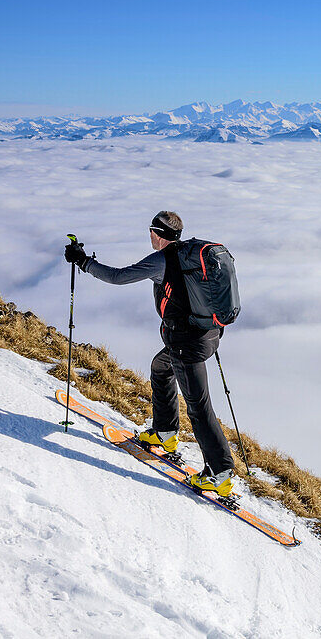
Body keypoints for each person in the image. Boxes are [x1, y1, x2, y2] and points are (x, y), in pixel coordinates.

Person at [64, 211, 236, 496]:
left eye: (150, 232)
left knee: (198, 406)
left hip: (187, 344)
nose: (149, 237)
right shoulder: (190, 254)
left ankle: (220, 473)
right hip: (206, 335)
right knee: (160, 368)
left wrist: (84, 262)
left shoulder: (163, 260)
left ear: (157, 233)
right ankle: (165, 432)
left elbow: (118, 277)